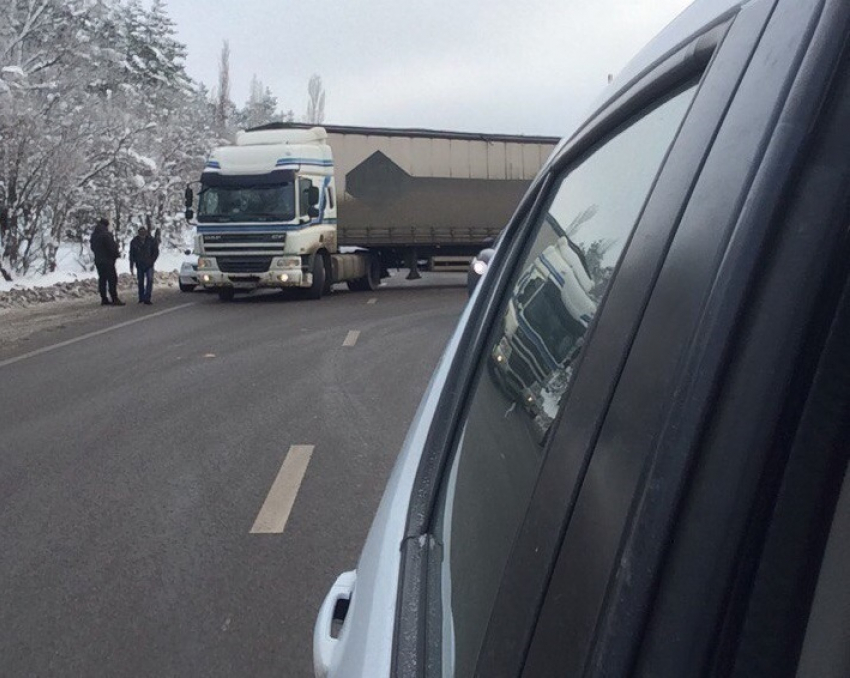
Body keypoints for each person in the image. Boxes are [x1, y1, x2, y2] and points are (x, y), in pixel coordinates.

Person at [89, 217, 124, 306]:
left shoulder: (94, 235)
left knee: (102, 279)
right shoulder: (106, 234)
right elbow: (111, 247)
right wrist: (115, 254)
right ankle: (114, 298)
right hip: (108, 260)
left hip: (98, 260)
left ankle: (104, 298)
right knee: (112, 279)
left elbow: (92, 248)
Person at [129, 226, 159, 305]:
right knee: (140, 281)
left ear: (146, 233)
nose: (142, 235)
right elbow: (131, 254)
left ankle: (147, 297)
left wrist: (152, 260)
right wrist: (131, 265)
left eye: (143, 233)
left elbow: (155, 252)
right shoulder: (134, 242)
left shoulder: (151, 240)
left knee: (150, 280)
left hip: (149, 264)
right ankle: (141, 297)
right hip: (139, 264)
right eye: (140, 233)